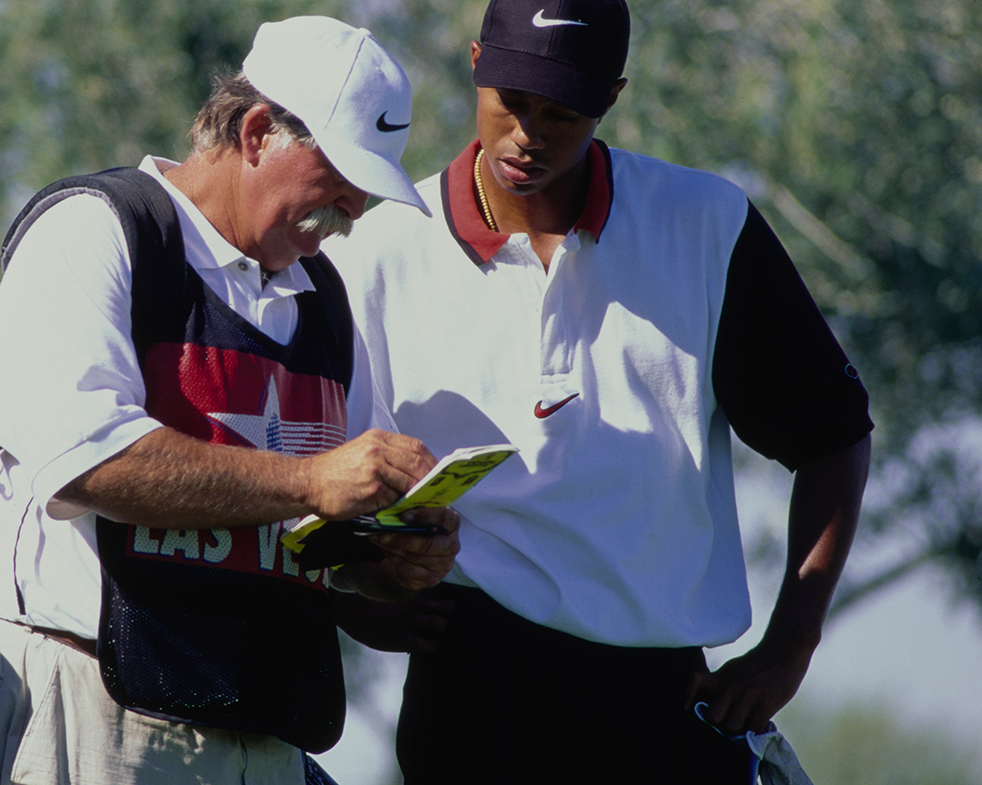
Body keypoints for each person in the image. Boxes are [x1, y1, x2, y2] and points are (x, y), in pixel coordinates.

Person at [324, 0, 873, 781]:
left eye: (562, 112)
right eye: (511, 101)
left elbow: (834, 437)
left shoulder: (706, 223)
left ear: (612, 97)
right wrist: (351, 596)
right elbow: (314, 468)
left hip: (662, 692)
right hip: (473, 685)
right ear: (477, 63)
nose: (528, 134)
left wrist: (792, 642)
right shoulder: (378, 248)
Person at [0, 16, 459, 785]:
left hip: (264, 728)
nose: (354, 214)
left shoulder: (321, 297)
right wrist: (311, 481)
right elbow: (85, 463)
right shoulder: (98, 231)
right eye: (341, 182)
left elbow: (314, 529)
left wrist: (390, 556)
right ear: (258, 132)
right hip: (93, 713)